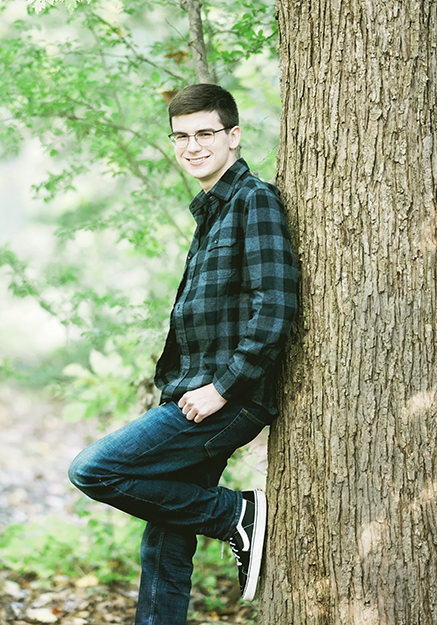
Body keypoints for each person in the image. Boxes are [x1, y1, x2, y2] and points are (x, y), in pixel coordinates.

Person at [67, 83, 298, 624]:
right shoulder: (212, 210)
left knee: (93, 470)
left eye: (205, 134)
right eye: (181, 137)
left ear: (233, 136)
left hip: (228, 397)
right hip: (196, 391)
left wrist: (222, 387)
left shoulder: (252, 200)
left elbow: (277, 305)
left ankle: (236, 514)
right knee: (165, 546)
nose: (192, 146)